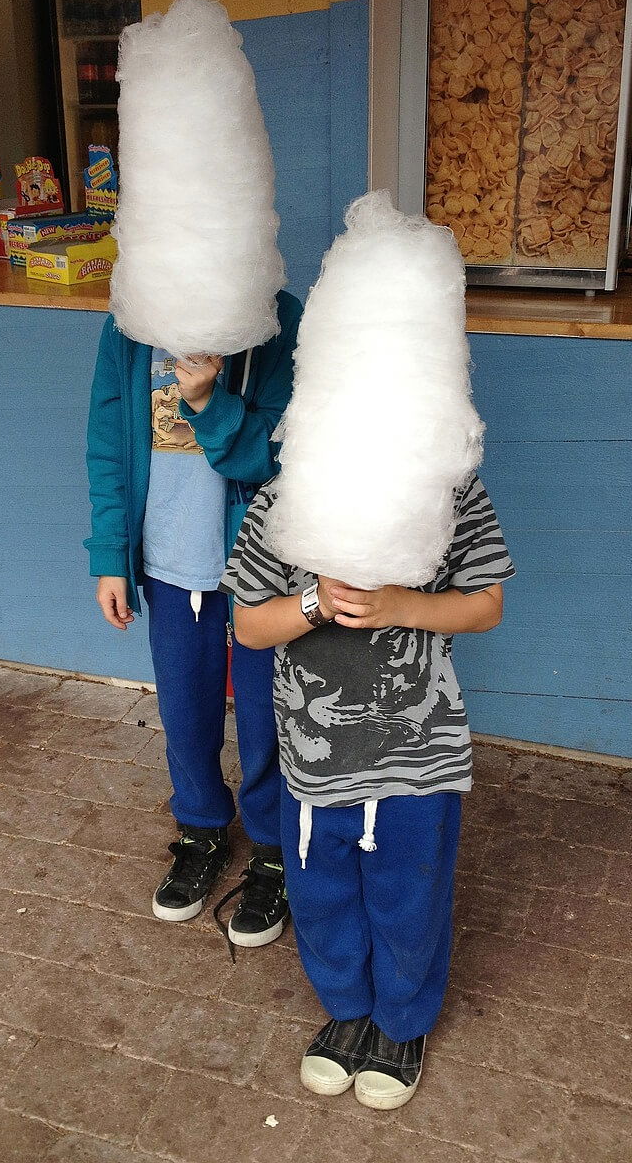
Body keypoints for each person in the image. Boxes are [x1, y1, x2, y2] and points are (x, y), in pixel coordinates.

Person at [219, 472, 514, 1108]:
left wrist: (402, 605)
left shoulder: (449, 492)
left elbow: (485, 603)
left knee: (409, 893)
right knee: (322, 893)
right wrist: (314, 603)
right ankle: (348, 1008)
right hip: (315, 760)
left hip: (416, 756)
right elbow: (248, 626)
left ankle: (402, 1023)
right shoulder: (284, 497)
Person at [85, 288, 302, 946]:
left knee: (268, 716)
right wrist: (111, 555)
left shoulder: (277, 322)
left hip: (260, 568)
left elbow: (275, 453)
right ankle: (201, 827)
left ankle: (273, 848)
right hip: (169, 563)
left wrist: (208, 400)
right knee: (184, 707)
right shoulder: (130, 326)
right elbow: (108, 444)